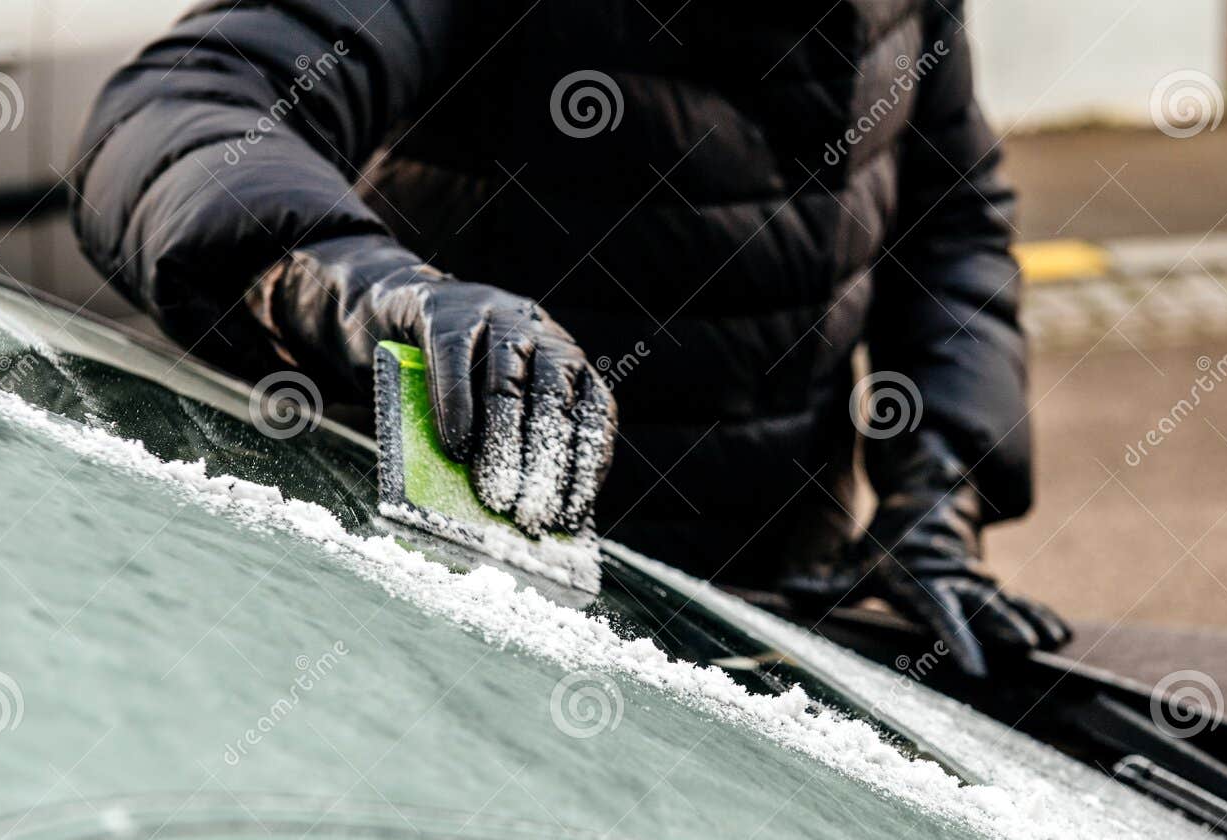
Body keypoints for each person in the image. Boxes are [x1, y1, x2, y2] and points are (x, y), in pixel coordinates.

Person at [70, 0, 1070, 675]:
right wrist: (360, 283)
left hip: (775, 638)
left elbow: (951, 221)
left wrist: (941, 486)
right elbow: (180, 113)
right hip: (466, 627)